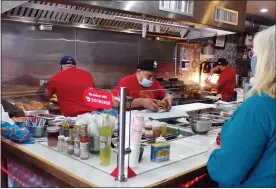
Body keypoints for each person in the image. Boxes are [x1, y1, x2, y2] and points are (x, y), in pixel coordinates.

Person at [207, 26, 276, 187]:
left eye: (255, 54)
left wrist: (213, 152)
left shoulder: (259, 106)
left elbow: (225, 171)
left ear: (267, 60)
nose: (253, 59)